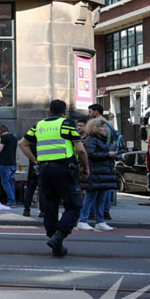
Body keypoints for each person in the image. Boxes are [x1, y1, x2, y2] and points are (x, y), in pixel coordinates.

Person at [19, 99, 90, 258]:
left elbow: (22, 144)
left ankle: (54, 240)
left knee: (50, 206)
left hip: (45, 170)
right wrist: (86, 168)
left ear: (49, 111)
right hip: (65, 170)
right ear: (64, 112)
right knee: (74, 206)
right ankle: (59, 236)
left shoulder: (39, 125)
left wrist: (34, 160)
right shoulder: (67, 124)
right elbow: (81, 150)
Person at [76, 117, 117, 232]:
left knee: (101, 198)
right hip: (96, 173)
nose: (105, 129)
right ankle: (83, 220)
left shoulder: (99, 140)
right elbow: (92, 154)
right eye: (102, 127)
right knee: (91, 197)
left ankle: (100, 221)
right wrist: (108, 154)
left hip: (101, 173)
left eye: (105, 127)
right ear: (95, 128)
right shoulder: (92, 140)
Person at [88, 104, 119, 221]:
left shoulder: (101, 124)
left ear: (96, 112)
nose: (89, 114)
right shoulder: (108, 124)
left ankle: (98, 214)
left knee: (99, 191)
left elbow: (101, 146)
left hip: (102, 162)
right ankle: (103, 214)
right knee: (104, 189)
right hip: (106, 161)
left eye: (90, 112)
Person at [0, 124, 19, 207]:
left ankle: (11, 201)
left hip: (5, 163)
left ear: (2, 131)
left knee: (5, 183)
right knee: (11, 182)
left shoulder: (4, 137)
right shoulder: (14, 138)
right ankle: (13, 199)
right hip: (13, 162)